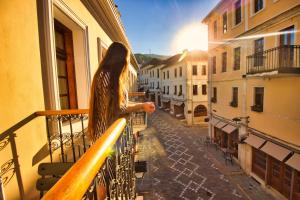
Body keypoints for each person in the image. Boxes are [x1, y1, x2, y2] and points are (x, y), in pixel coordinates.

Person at [88, 42, 155, 141]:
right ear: (120, 60)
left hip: (110, 134)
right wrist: (141, 106)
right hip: (106, 137)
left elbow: (121, 103)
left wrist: (143, 104)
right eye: (126, 59)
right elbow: (119, 108)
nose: (126, 64)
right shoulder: (106, 76)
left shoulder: (108, 75)